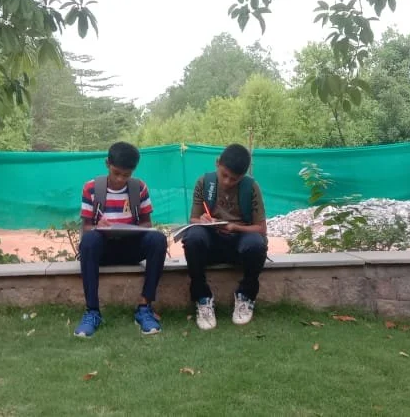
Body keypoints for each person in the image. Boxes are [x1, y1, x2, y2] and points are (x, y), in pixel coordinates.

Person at [74, 142, 167, 338]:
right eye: (116, 173)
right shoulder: (91, 188)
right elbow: (87, 227)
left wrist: (131, 229)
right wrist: (100, 227)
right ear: (107, 163)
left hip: (130, 248)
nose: (120, 179)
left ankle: (144, 307)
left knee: (158, 239)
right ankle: (92, 312)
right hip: (103, 250)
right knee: (89, 241)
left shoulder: (139, 188)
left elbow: (146, 224)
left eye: (126, 175)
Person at [182, 143, 267, 330]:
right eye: (224, 175)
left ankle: (246, 296)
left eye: (234, 179)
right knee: (193, 236)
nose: (228, 181)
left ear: (243, 176)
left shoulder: (251, 187)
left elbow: (261, 229)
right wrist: (203, 220)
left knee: (256, 244)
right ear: (217, 163)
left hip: (240, 244)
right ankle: (202, 298)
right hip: (211, 243)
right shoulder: (204, 183)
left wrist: (235, 227)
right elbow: (194, 219)